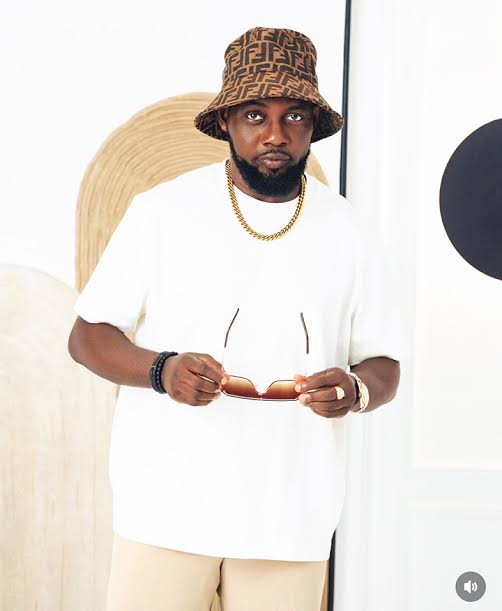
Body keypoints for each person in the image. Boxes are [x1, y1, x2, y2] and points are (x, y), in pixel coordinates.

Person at [68, 26, 401, 611]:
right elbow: (87, 336)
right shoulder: (163, 212)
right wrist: (162, 370)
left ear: (312, 126)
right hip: (165, 510)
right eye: (254, 115)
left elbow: (384, 364)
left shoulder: (350, 230)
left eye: (294, 116)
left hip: (291, 520)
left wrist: (354, 390)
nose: (275, 134)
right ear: (225, 121)